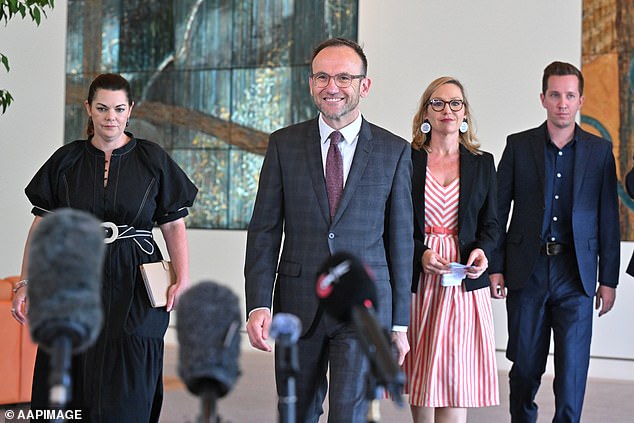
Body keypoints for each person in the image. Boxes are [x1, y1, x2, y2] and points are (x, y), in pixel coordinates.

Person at [244, 37, 414, 422]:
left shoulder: (394, 151)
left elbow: (400, 243)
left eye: (343, 77)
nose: (331, 87)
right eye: (322, 77)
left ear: (364, 86)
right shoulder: (283, 145)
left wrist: (399, 324)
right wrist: (258, 303)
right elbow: (265, 231)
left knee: (349, 414)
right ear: (310, 83)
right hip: (297, 305)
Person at [11, 73, 198, 422]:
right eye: (102, 108)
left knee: (131, 374)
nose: (110, 116)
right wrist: (26, 281)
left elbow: (173, 223)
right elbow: (43, 224)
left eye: (118, 108)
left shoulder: (152, 159)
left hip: (137, 280)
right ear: (89, 110)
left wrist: (182, 277)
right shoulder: (66, 161)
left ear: (130, 111)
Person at [490, 61, 620, 423]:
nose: (563, 102)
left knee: (572, 373)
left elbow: (609, 217)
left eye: (570, 95)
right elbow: (498, 212)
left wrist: (608, 279)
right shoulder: (518, 146)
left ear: (580, 100)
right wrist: (496, 267)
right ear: (543, 98)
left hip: (575, 275)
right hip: (526, 273)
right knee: (526, 367)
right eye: (555, 95)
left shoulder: (598, 152)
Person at [404, 77, 500, 423]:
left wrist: (483, 254)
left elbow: (492, 224)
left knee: (455, 373)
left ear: (465, 113)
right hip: (420, 281)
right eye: (438, 102)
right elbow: (395, 223)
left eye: (455, 103)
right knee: (422, 368)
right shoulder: (408, 160)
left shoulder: (482, 162)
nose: (447, 110)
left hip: (462, 283)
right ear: (426, 112)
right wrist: (421, 254)